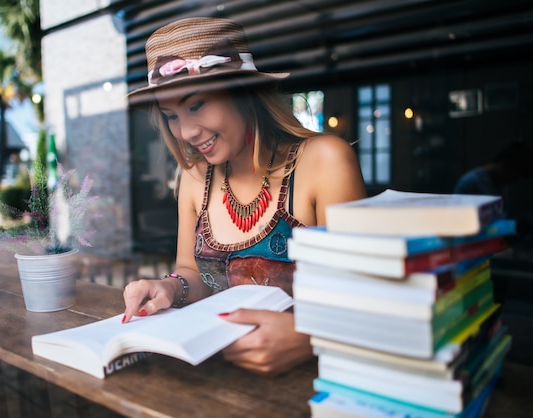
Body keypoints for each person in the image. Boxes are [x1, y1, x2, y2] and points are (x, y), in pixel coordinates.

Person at [123, 17, 366, 376]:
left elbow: (367, 294)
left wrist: (310, 338)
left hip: (320, 382)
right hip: (219, 380)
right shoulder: (192, 177)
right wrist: (169, 288)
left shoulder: (325, 161)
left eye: (196, 105)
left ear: (243, 91)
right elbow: (192, 272)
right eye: (171, 115)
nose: (187, 132)